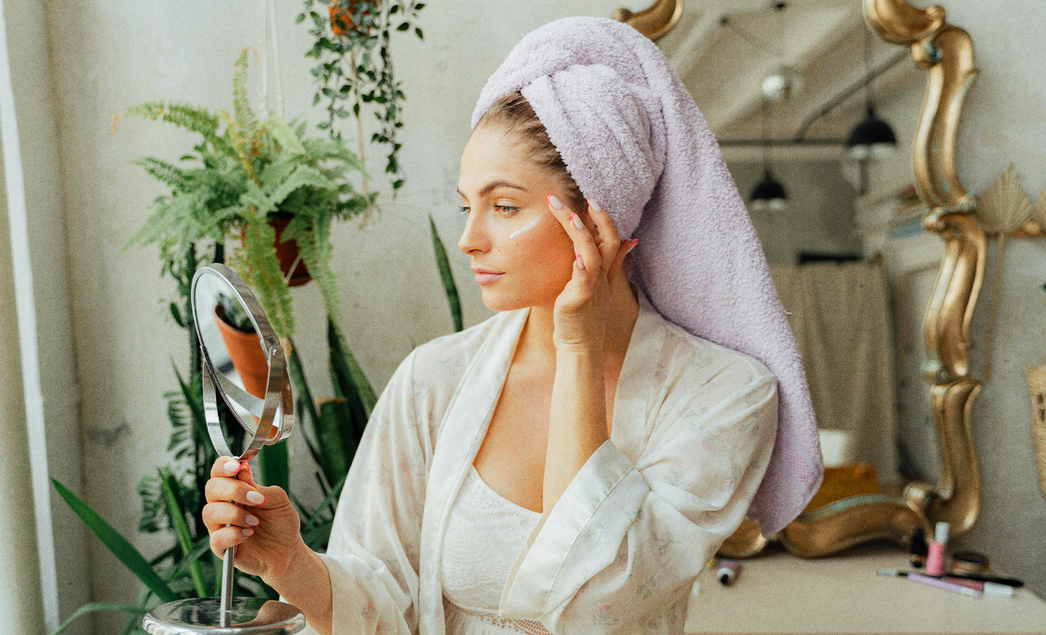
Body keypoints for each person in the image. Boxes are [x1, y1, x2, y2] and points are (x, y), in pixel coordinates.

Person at [201, 16, 822, 635]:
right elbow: (385, 593)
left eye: (504, 206)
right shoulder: (432, 381)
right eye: (466, 206)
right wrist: (293, 565)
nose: (469, 239)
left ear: (598, 216)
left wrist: (578, 350)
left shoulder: (722, 395)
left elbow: (593, 599)